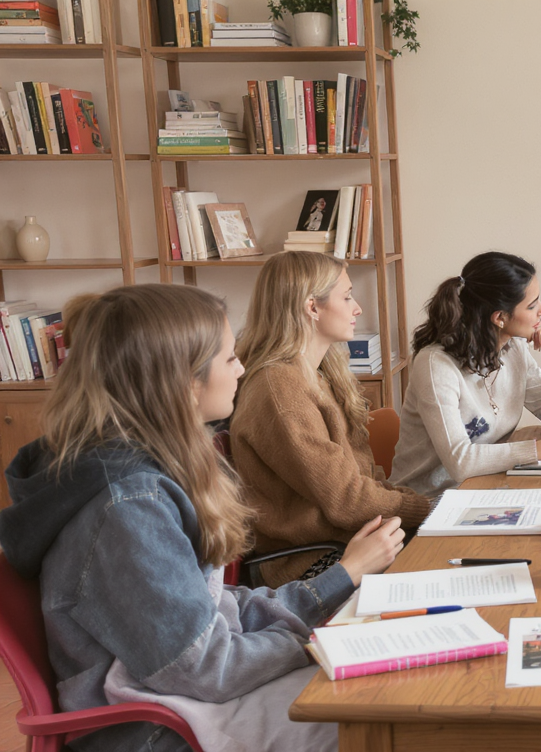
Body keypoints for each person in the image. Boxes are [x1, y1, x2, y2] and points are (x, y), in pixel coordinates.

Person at [0, 285, 404, 752]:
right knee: (386, 721)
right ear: (184, 383)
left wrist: (330, 597)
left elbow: (214, 614)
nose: (242, 369)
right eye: (231, 358)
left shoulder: (142, 474)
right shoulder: (127, 506)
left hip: (181, 700)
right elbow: (208, 667)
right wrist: (317, 639)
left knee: (384, 697)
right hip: (157, 729)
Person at [231, 251, 431, 587]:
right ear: (312, 307)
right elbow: (347, 501)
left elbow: (362, 479)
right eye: (348, 296)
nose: (358, 308)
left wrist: (416, 507)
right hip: (309, 563)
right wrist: (424, 509)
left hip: (349, 539)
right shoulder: (279, 389)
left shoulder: (319, 372)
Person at [389, 253, 541, 497]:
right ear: (500, 317)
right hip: (427, 503)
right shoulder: (435, 365)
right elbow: (460, 462)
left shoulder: (513, 349)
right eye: (532, 305)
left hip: (484, 488)